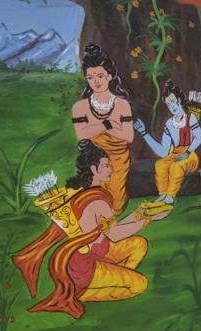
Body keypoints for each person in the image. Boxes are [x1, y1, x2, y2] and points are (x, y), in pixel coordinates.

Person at [13, 140, 170, 320]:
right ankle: (82, 294)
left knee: (139, 244)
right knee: (140, 284)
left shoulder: (88, 192)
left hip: (98, 251)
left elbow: (112, 229)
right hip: (86, 266)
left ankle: (116, 276)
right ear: (94, 170)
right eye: (105, 166)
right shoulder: (97, 200)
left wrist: (139, 213)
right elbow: (115, 234)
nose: (110, 169)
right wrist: (149, 219)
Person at [71, 44, 134, 215]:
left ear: (110, 76)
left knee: (116, 204)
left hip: (119, 159)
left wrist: (95, 127)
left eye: (100, 75)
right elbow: (81, 134)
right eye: (90, 77)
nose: (96, 82)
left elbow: (128, 136)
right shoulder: (80, 107)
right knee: (94, 202)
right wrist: (109, 124)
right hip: (95, 159)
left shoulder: (122, 105)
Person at [134, 79, 201, 204]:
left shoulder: (190, 118)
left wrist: (187, 152)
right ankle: (163, 194)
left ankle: (170, 196)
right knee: (160, 165)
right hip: (175, 153)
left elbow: (199, 137)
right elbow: (163, 151)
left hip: (191, 154)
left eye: (173, 101)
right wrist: (144, 133)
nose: (172, 106)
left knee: (176, 166)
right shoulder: (169, 124)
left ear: (179, 100)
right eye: (168, 104)